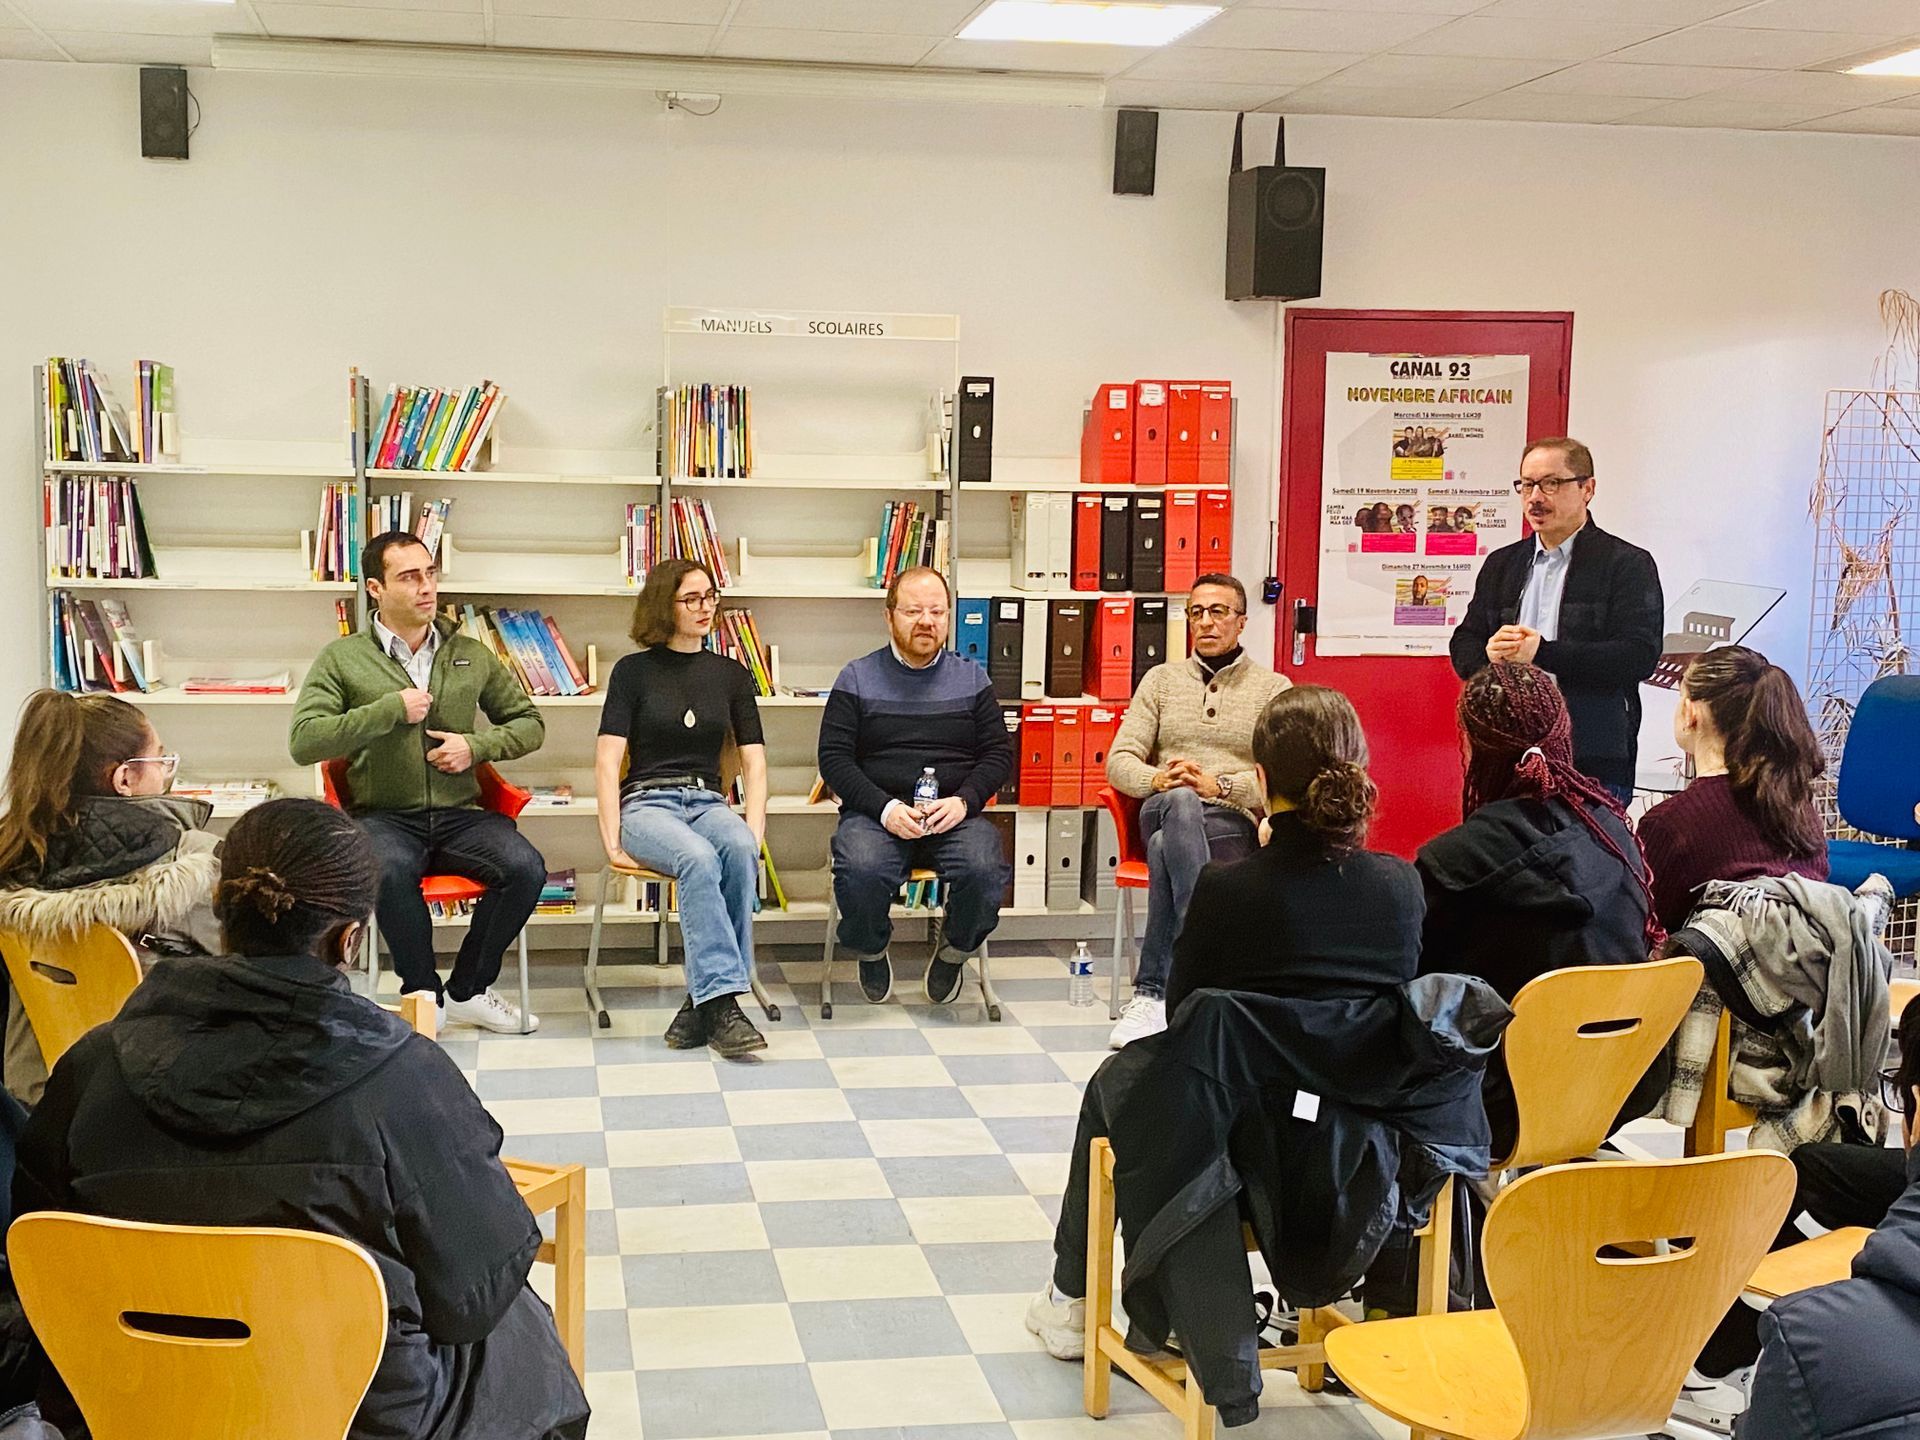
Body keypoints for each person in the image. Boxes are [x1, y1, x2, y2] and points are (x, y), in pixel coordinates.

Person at [11, 798, 589, 1440]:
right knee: (519, 1325)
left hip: (131, 1400)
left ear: (219, 913)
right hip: (352, 1416)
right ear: (349, 939)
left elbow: (36, 1248)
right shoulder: (405, 1078)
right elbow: (472, 1297)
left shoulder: (91, 1065)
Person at [1026, 687, 1445, 1363]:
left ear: (1261, 776)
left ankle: (1071, 1299)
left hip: (1237, 1145)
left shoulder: (1228, 890)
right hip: (1356, 1138)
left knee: (1112, 1085)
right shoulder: (1399, 885)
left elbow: (1188, 1019)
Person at [290, 531, 547, 1033]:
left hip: (460, 814)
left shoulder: (470, 653)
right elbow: (305, 741)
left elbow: (529, 724)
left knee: (525, 869)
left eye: (430, 574)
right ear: (375, 588)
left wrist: (475, 747)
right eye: (409, 577)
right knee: (386, 870)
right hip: (383, 815)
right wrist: (388, 709)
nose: (426, 587)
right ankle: (422, 992)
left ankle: (468, 989)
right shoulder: (342, 658)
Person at [1416, 661, 1665, 1157]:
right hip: (1625, 1082)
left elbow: (1419, 992)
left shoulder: (1450, 864)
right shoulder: (1615, 834)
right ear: (1563, 735)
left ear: (1472, 747)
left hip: (1503, 1104)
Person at [0, 691, 218, 1106]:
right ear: (125, 779)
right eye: (160, 759)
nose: (166, 772)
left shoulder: (14, 858)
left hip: (40, 1092)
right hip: (161, 1095)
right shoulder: (192, 865)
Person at [1104, 574, 1290, 1048]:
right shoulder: (1161, 682)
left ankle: (1152, 996)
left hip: (1229, 818)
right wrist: (1159, 779)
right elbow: (1119, 761)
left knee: (1165, 848)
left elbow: (1278, 777)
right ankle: (1207, 955)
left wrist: (1219, 784)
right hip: (1164, 804)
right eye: (1196, 612)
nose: (1205, 622)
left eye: (1218, 612)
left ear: (1241, 622)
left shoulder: (1273, 688)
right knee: (1180, 806)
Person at [817, 566, 1013, 1006]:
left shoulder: (973, 679)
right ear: (889, 617)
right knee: (859, 870)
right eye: (913, 611)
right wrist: (885, 809)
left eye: (937, 612)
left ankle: (953, 953)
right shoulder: (856, 677)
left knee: (986, 870)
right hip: (877, 816)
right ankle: (871, 950)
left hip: (953, 816)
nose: (926, 621)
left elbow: (998, 756)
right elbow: (834, 760)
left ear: (948, 617)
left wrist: (963, 802)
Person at [596, 559, 768, 1057]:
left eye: (710, 596)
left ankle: (705, 1003)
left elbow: (755, 761)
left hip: (708, 800)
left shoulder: (731, 675)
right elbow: (607, 760)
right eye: (691, 598)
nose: (705, 607)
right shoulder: (632, 672)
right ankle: (725, 1004)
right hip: (647, 804)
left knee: (737, 848)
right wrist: (611, 839)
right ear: (663, 606)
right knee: (697, 857)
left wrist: (754, 831)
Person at [1741, 995, 1920, 1440]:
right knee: (1813, 1168)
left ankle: (1715, 1352)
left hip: (1826, 1353)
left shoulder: (1815, 1343)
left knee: (1807, 1171)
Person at [1449, 436, 1663, 805]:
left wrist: (1543, 653)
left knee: (1589, 843)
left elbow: (1638, 656)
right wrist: (1489, 658)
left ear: (1587, 489)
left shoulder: (1626, 564)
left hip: (1591, 755)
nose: (1535, 497)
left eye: (1551, 483)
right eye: (1527, 484)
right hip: (1505, 755)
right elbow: (1463, 643)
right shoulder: (1502, 564)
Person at [1637, 646, 1829, 935]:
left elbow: (1642, 934)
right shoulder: (1799, 809)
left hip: (1705, 965)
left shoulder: (1668, 824)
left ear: (1690, 713)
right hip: (1808, 963)